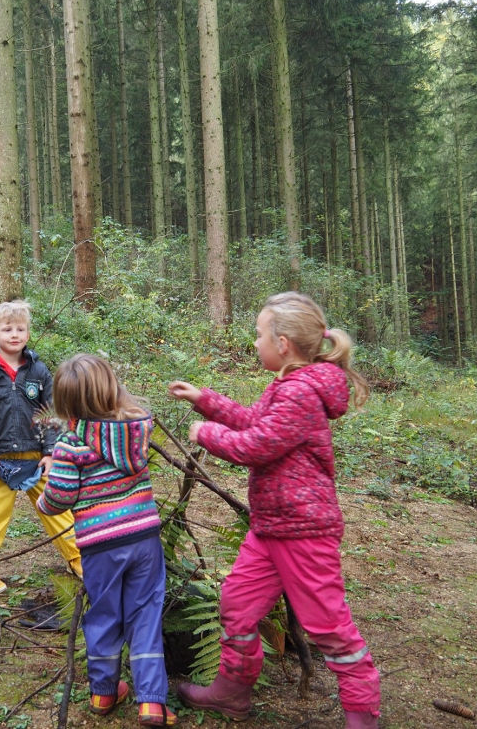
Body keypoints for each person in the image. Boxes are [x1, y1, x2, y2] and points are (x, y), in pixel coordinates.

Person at [168, 292, 379, 729]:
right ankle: (231, 691)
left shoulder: (302, 391)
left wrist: (204, 432)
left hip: (303, 530)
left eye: (260, 335)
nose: (256, 342)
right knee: (237, 605)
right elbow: (254, 422)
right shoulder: (288, 386)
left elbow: (256, 446)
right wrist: (205, 399)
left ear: (282, 343)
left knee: (330, 629)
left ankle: (363, 716)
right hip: (271, 527)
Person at [37, 354, 175, 727]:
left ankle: (103, 691)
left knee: (104, 614)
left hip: (100, 546)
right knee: (145, 613)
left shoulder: (69, 445)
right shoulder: (136, 430)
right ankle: (152, 702)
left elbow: (58, 500)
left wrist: (42, 496)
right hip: (144, 537)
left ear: (65, 403)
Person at [0, 300, 83, 596]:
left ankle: (79, 559)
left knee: (58, 508)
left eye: (20, 329)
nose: (14, 334)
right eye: (7, 329)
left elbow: (52, 411)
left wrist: (50, 452)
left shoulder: (39, 371)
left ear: (28, 334)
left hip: (37, 456)